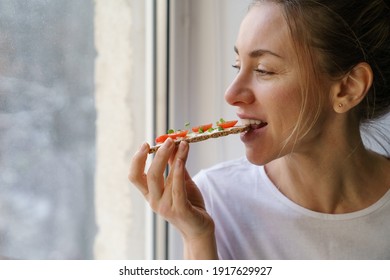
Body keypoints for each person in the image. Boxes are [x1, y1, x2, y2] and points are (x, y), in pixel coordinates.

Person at [129, 0, 390, 259]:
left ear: (348, 88)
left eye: (264, 70)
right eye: (236, 65)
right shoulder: (213, 200)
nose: (231, 94)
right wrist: (196, 238)